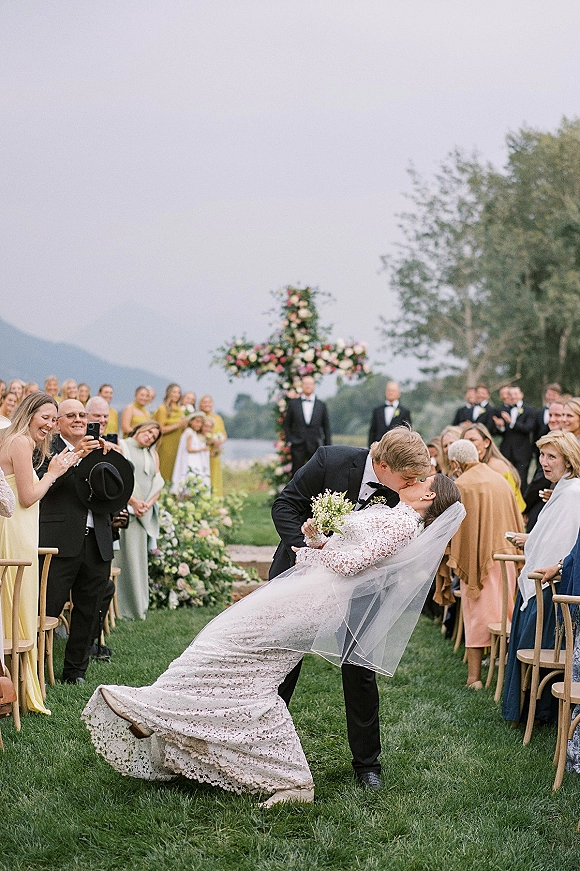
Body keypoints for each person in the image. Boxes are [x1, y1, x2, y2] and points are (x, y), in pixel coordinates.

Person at [82, 474, 463, 805]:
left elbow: (351, 565)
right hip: (308, 591)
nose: (416, 479)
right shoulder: (396, 515)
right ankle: (173, 722)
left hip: (313, 599)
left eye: (424, 481)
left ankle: (154, 708)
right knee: (246, 671)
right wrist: (315, 538)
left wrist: (319, 551)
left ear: (429, 497)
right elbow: (347, 553)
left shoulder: (403, 524)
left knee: (226, 643)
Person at [269, 427, 431, 790]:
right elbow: (285, 505)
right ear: (383, 465)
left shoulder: (401, 493)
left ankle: (367, 764)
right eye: (406, 478)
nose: (410, 486)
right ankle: (263, 744)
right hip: (301, 573)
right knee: (284, 660)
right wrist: (306, 552)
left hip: (363, 586)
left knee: (359, 668)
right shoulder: (330, 460)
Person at [38, 399, 134, 684]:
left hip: (98, 540)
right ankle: (36, 669)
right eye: (71, 415)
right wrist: (75, 457)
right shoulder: (45, 448)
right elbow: (42, 486)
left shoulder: (102, 450)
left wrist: (115, 463)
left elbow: (114, 489)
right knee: (47, 608)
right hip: (59, 540)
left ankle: (75, 671)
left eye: (82, 415)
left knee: (90, 609)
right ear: (57, 422)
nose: (79, 419)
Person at [0, 393, 75, 713]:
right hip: (15, 532)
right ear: (28, 413)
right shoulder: (18, 442)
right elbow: (28, 497)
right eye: (44, 416)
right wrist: (53, 474)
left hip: (23, 531)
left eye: (53, 419)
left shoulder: (17, 440)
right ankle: (19, 687)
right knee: (18, 605)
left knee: (18, 605)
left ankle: (18, 685)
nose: (49, 424)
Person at [502, 431, 580, 725]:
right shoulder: (561, 489)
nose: (544, 463)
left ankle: (538, 713)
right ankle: (525, 710)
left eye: (552, 457)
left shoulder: (572, 493)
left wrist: (553, 566)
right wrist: (531, 540)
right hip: (538, 578)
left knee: (540, 646)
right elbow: (548, 535)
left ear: (569, 460)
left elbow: (567, 541)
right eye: (542, 456)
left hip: (550, 585)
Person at [446, 440, 524, 688]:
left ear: (455, 463)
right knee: (506, 614)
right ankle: (509, 673)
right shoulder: (500, 479)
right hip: (508, 559)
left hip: (478, 561)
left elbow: (455, 529)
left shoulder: (462, 485)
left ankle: (474, 678)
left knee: (476, 616)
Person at [115, 421, 164, 620]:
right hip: (126, 511)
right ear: (139, 429)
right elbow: (117, 476)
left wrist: (147, 504)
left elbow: (158, 482)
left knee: (138, 561)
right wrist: (133, 502)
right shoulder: (122, 445)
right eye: (149, 432)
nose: (150, 437)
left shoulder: (153, 454)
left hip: (143, 514)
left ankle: (138, 607)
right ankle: (120, 609)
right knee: (122, 559)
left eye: (154, 437)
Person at [462, 423, 526, 512]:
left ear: (486, 442)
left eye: (473, 440)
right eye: (465, 441)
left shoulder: (496, 466)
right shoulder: (475, 465)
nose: (468, 444)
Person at [523, 400, 565, 531]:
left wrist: (525, 507)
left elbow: (540, 480)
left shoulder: (565, 442)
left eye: (558, 415)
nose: (552, 420)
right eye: (550, 415)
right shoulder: (546, 433)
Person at [283, 376, 331, 479]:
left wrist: (328, 447)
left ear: (314, 386)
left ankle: (313, 495)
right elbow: (287, 425)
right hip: (297, 445)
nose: (308, 386)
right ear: (301, 385)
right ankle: (295, 495)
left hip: (316, 446)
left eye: (310, 383)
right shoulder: (293, 404)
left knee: (316, 474)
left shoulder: (321, 405)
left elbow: (326, 427)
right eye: (305, 383)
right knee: (296, 474)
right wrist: (290, 440)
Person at [493, 385, 536, 485]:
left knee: (521, 481)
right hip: (506, 451)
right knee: (506, 480)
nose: (513, 396)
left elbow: (528, 428)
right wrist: (500, 426)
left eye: (515, 394)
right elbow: (501, 433)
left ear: (521, 395)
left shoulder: (529, 410)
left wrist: (511, 422)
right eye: (510, 394)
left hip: (523, 451)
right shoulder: (503, 410)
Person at [154, 384, 188, 482]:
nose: (176, 395)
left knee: (176, 469)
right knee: (165, 468)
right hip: (166, 444)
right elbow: (160, 428)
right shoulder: (163, 408)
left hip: (178, 444)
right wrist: (177, 425)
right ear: (169, 393)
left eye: (178, 392)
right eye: (174, 392)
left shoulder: (181, 409)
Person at [172, 412, 210, 492]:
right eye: (197, 422)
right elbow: (189, 449)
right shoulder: (189, 432)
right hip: (189, 460)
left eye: (201, 423)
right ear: (191, 421)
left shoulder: (194, 433)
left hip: (193, 460)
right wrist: (203, 449)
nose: (199, 424)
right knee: (188, 477)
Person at [198, 395, 227, 496]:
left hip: (215, 452)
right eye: (204, 402)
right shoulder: (199, 417)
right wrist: (209, 440)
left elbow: (224, 434)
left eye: (209, 402)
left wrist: (219, 441)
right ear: (200, 404)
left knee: (215, 476)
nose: (207, 404)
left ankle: (216, 501)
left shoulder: (217, 418)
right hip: (201, 451)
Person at [367, 381, 412, 446]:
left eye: (393, 391)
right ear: (385, 392)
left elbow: (408, 432)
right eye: (389, 390)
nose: (390, 393)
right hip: (378, 447)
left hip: (396, 447)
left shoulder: (404, 412)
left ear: (399, 393)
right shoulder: (377, 411)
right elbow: (372, 431)